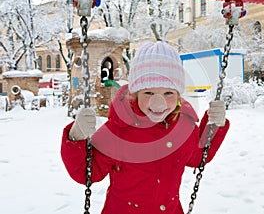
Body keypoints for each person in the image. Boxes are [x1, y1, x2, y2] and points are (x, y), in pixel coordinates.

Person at [61, 41, 230, 214]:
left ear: (179, 95)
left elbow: (198, 157)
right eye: (148, 93)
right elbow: (87, 173)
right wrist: (76, 137)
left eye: (168, 93)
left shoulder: (183, 127)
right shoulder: (118, 130)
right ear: (135, 94)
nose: (158, 103)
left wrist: (214, 125)